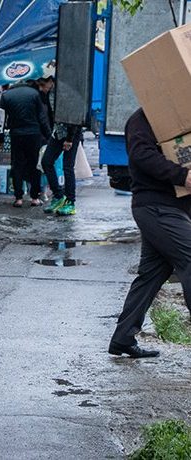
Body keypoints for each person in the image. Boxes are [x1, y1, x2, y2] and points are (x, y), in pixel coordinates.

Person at [108, 108, 191, 358]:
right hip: (155, 207)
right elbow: (141, 155)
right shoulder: (142, 119)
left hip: (172, 208)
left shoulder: (178, 120)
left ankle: (123, 338)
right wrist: (183, 176)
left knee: (152, 274)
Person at [0, 79, 52, 207]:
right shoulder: (34, 94)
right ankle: (34, 197)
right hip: (34, 134)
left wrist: (0, 137)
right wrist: (49, 136)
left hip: (16, 134)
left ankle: (18, 198)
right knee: (34, 165)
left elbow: (1, 117)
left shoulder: (6, 95)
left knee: (17, 165)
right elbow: (42, 117)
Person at [42, 122, 82, 215]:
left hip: (72, 132)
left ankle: (70, 202)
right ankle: (58, 196)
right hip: (58, 131)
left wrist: (69, 139)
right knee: (46, 162)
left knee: (68, 167)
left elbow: (75, 116)